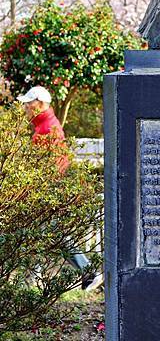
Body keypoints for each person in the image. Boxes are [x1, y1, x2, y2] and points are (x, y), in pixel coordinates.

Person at [17, 85, 103, 291]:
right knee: (43, 234)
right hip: (46, 190)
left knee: (46, 234)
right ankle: (85, 272)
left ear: (39, 104)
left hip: (46, 191)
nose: (26, 108)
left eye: (28, 104)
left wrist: (39, 190)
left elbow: (54, 165)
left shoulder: (48, 128)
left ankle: (87, 271)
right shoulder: (44, 124)